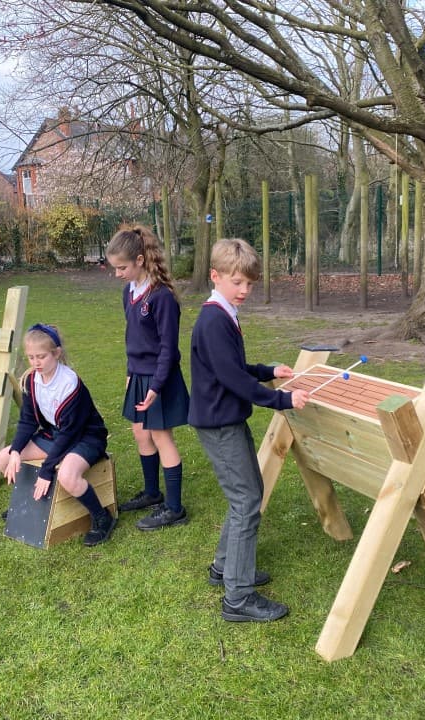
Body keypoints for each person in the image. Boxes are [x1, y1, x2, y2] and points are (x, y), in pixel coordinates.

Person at [189, 238, 310, 623]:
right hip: (219, 423)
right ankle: (237, 598)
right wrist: (283, 401)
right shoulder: (213, 320)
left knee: (248, 495)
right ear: (216, 276)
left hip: (225, 418)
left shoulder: (223, 314)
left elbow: (235, 368)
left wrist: (268, 371)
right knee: (246, 502)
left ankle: (225, 569)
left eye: (249, 284)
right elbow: (232, 381)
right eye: (237, 282)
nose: (244, 291)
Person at [0, 323, 116, 547]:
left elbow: (70, 434)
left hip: (85, 437)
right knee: (3, 458)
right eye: (31, 357)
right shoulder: (32, 380)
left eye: (41, 357)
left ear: (57, 354)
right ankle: (28, 504)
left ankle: (102, 517)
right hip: (56, 435)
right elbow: (28, 420)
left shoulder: (69, 384)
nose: (35, 363)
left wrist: (47, 469)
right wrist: (15, 451)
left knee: (67, 476)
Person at [105, 224, 190, 531]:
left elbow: (168, 349)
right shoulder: (128, 293)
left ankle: (174, 508)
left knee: (161, 437)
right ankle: (153, 493)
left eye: (122, 268)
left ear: (140, 260)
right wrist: (131, 375)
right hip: (138, 376)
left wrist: (155, 386)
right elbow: (133, 341)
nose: (118, 274)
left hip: (160, 378)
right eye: (114, 268)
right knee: (141, 434)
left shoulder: (162, 297)